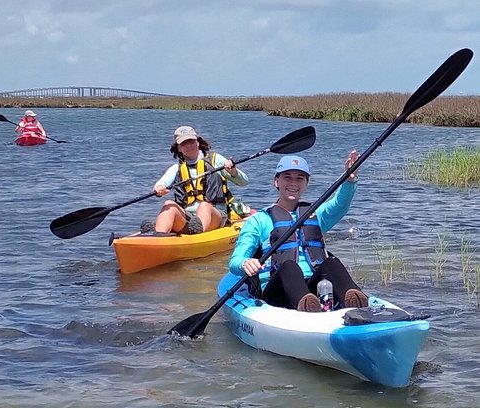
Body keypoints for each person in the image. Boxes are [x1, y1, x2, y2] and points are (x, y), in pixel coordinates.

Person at [228, 153, 368, 312]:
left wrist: (349, 180)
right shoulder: (259, 220)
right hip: (277, 292)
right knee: (289, 267)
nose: (293, 183)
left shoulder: (315, 214)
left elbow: (339, 204)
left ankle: (358, 305)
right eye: (287, 177)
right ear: (276, 181)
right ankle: (307, 308)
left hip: (314, 288)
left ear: (306, 183)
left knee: (331, 263)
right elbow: (235, 261)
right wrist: (245, 263)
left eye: (300, 178)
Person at [143, 125, 249, 235]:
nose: (189, 145)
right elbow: (161, 183)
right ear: (179, 148)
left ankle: (198, 235)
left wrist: (233, 171)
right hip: (188, 218)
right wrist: (158, 188)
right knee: (169, 204)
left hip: (216, 215)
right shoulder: (176, 168)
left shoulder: (215, 160)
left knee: (204, 206)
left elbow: (244, 182)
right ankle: (158, 235)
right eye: (184, 143)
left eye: (191, 141)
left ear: (197, 142)